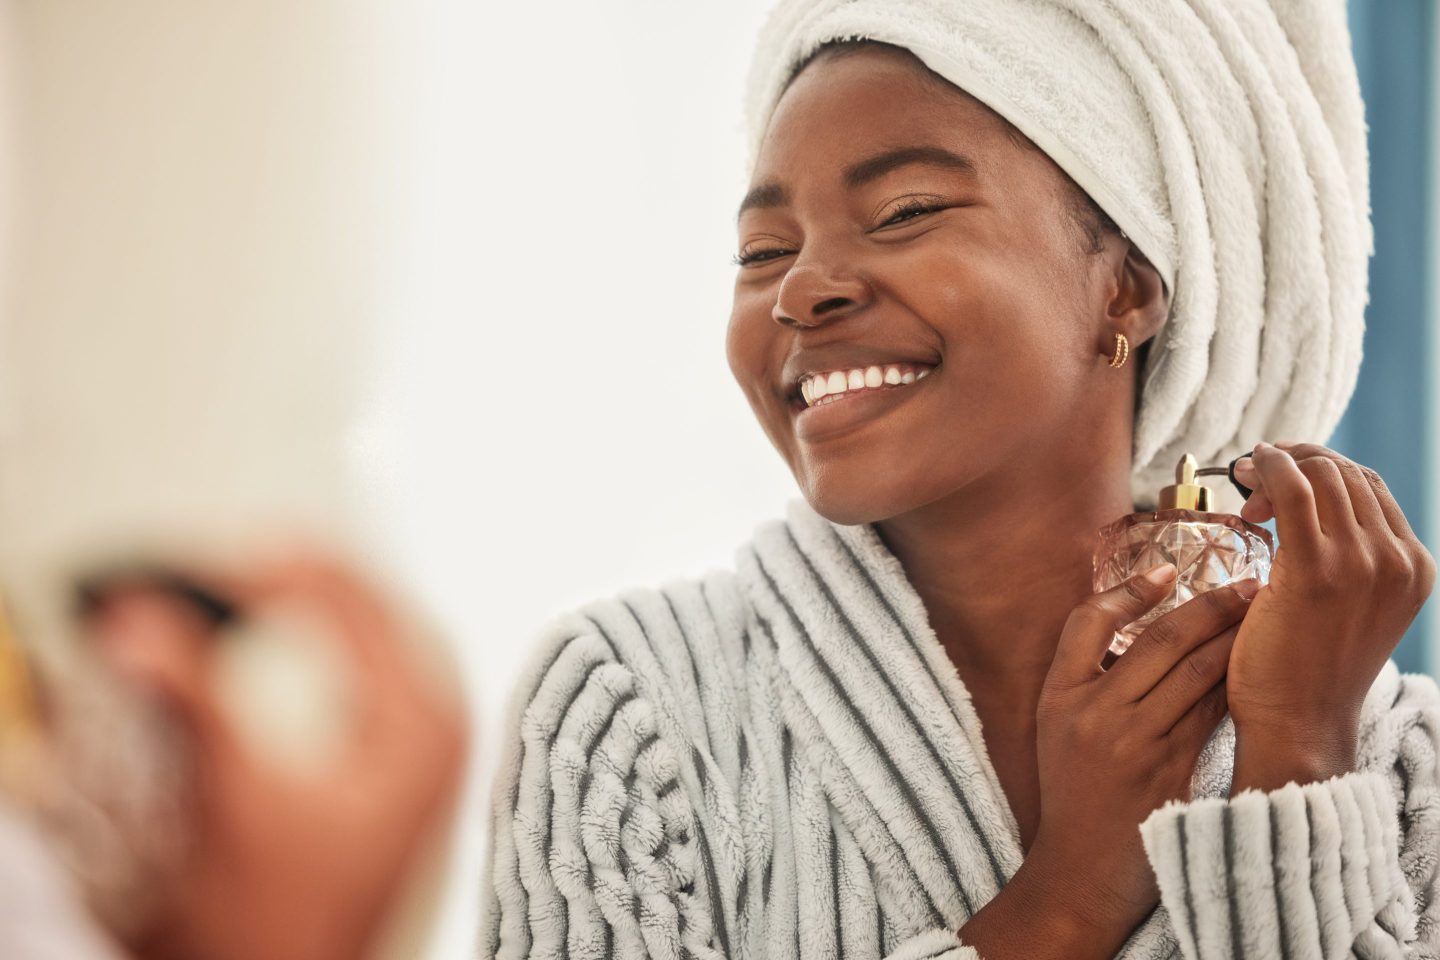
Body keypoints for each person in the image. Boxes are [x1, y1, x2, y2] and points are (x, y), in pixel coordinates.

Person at [66, 3, 1440, 960]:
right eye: (759, 248)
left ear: (1129, 281)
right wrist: (1064, 904)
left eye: (906, 211)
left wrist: (1291, 770)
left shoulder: (1392, 755)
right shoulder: (629, 708)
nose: (809, 287)